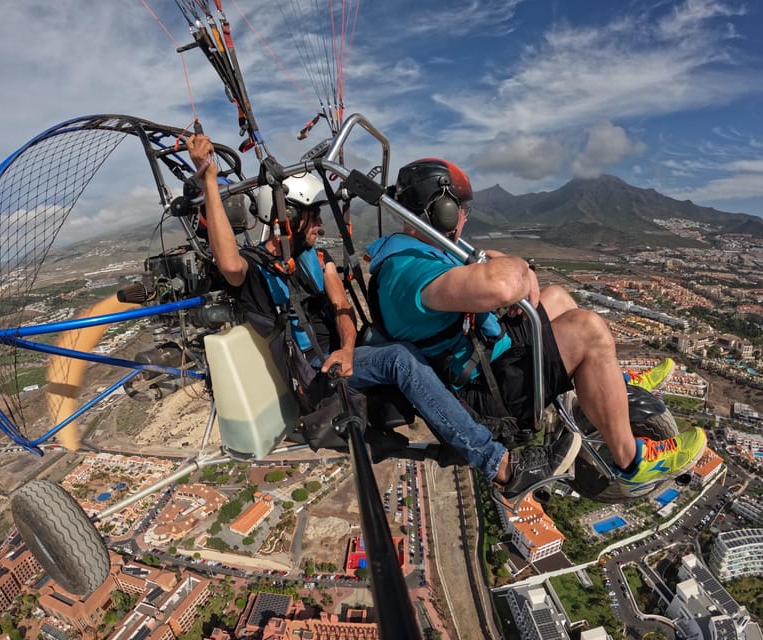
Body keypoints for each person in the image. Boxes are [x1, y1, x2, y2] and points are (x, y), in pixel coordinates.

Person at [187, 134, 579, 499]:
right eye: (313, 215)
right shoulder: (256, 271)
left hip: (340, 357)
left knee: (402, 344)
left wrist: (347, 347)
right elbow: (228, 262)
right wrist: (209, 181)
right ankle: (500, 466)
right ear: (287, 214)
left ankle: (511, 401)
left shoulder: (315, 258)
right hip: (312, 373)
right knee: (399, 359)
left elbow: (342, 308)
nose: (321, 224)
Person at [366, 158, 706, 498]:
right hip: (485, 393)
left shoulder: (424, 251)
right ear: (443, 211)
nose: (466, 216)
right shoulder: (408, 271)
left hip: (485, 359)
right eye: (462, 208)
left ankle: (608, 385)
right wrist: (520, 271)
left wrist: (517, 273)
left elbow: (488, 259)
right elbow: (501, 285)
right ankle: (631, 462)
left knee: (556, 298)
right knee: (588, 329)